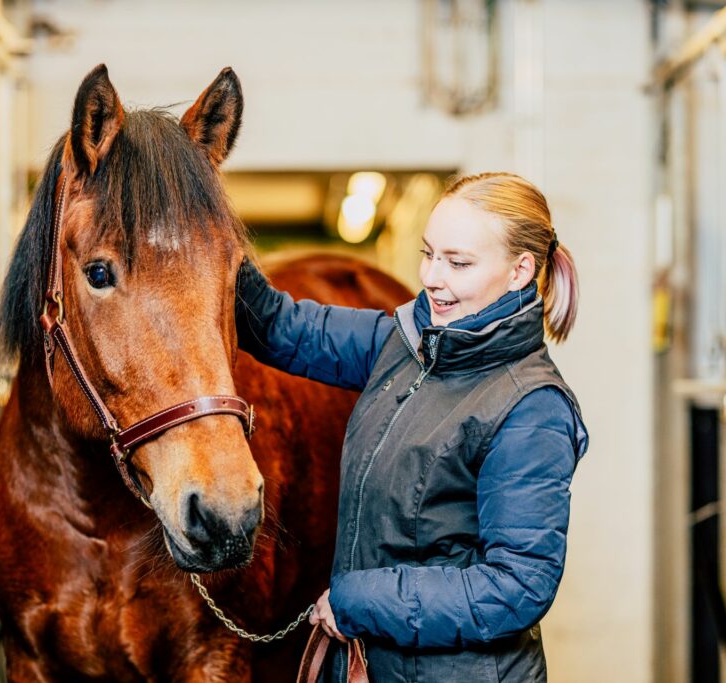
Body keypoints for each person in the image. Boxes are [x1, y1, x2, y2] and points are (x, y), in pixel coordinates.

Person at [234, 172, 589, 682]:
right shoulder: (402, 344)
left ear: (520, 271)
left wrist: (359, 601)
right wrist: (211, 234)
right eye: (429, 254)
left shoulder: (531, 407)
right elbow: (279, 327)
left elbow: (517, 587)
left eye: (458, 262)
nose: (432, 276)